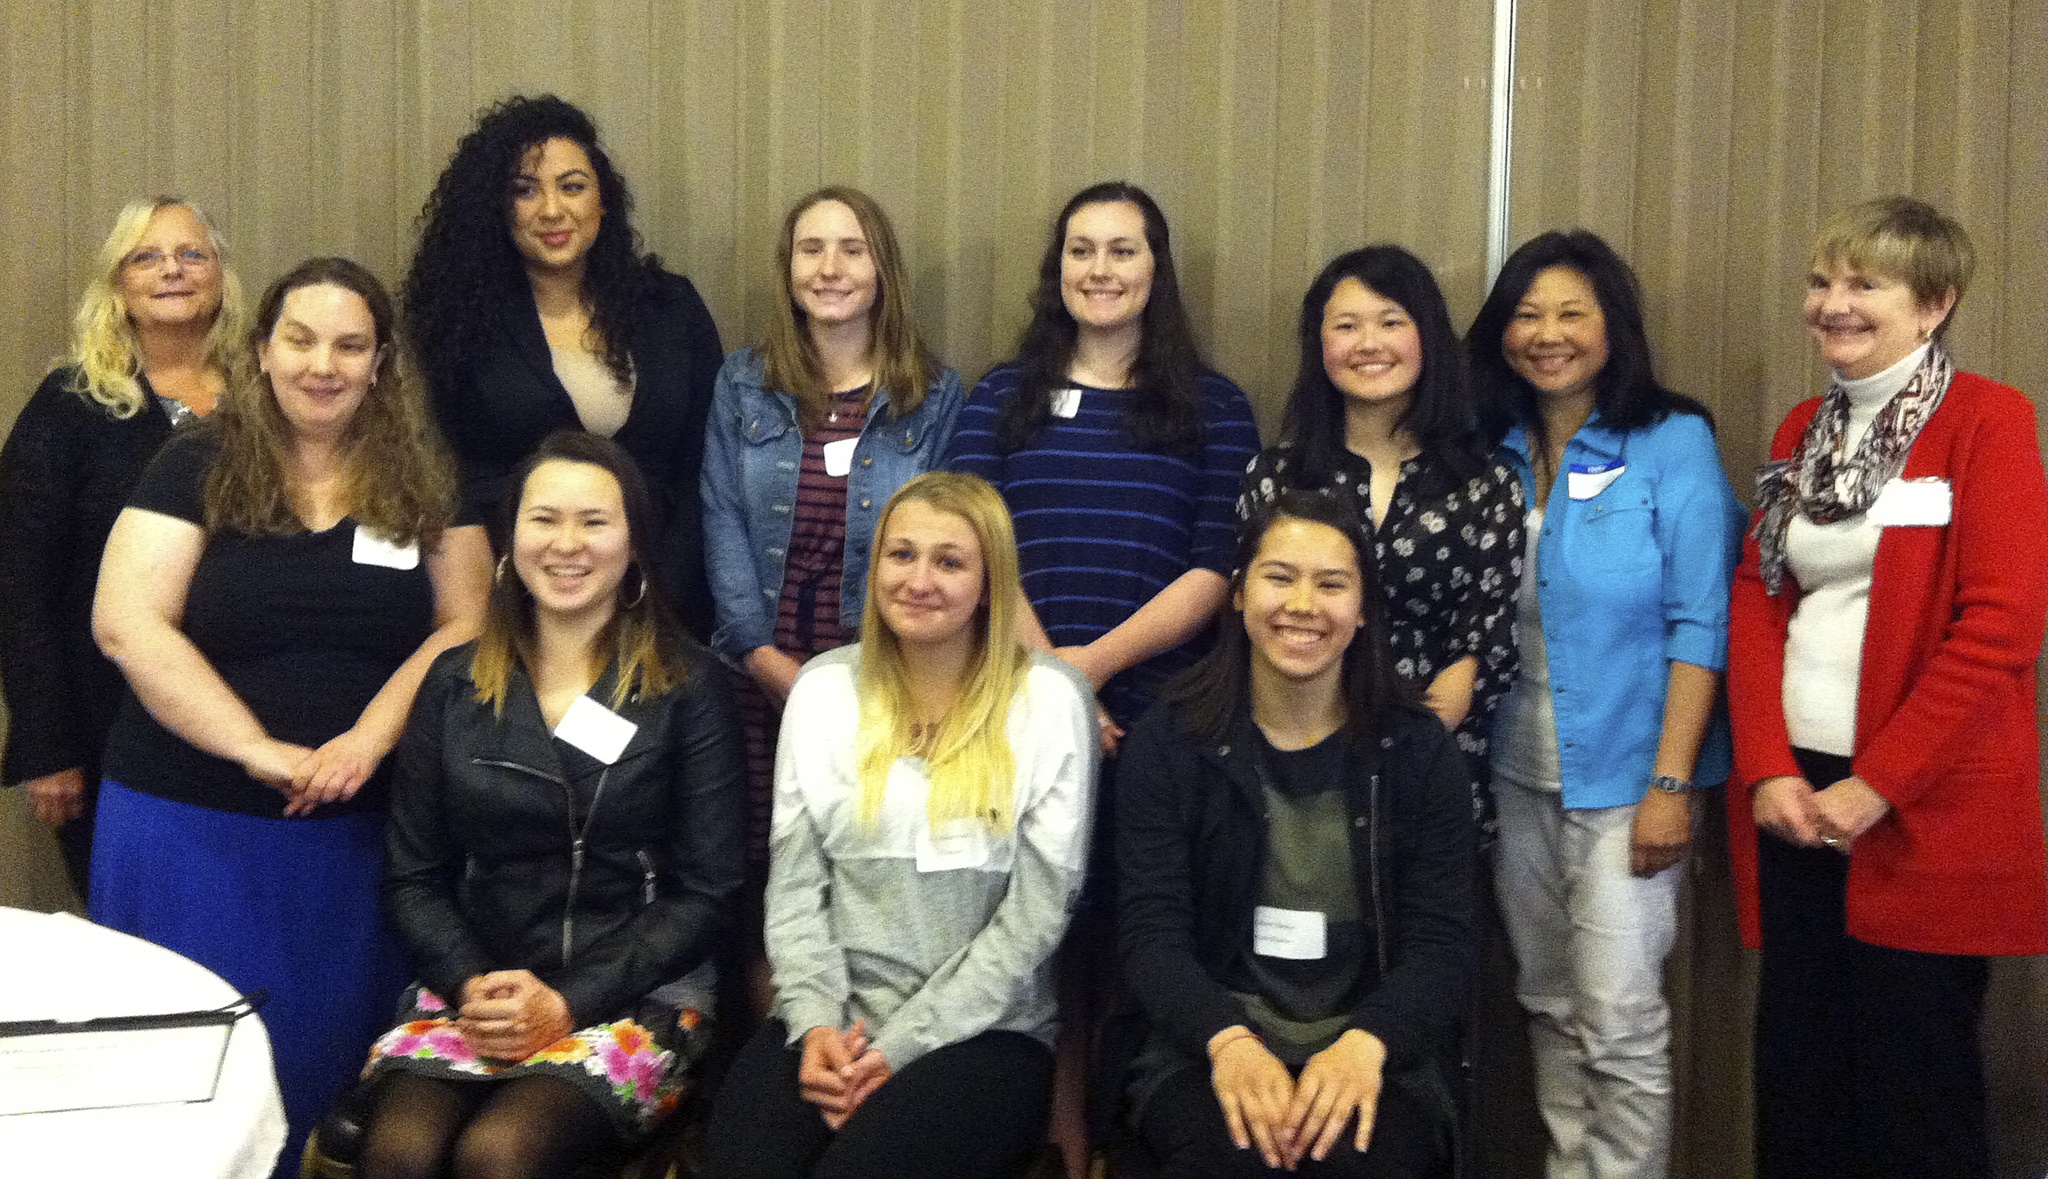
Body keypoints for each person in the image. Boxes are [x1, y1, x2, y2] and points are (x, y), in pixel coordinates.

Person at [90, 257, 493, 1171]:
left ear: (382, 360)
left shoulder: (427, 472)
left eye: (351, 345)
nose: (324, 364)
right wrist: (257, 747)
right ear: (263, 350)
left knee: (323, 1083)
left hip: (358, 838)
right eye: (301, 340)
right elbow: (126, 621)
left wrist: (365, 739)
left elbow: (466, 622)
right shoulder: (194, 458)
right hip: (188, 825)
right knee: (184, 1086)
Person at [1727, 197, 2048, 1179]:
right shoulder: (1802, 426)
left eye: (1864, 284)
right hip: (1795, 801)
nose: (1833, 305)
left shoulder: (1984, 423)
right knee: (1799, 1073)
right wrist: (1765, 770)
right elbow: (1755, 596)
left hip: (1920, 808)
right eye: (1821, 282)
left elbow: (2002, 623)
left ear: (1933, 303)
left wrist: (1876, 786)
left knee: (1916, 1085)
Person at [359, 431, 744, 1179]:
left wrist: (566, 999)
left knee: (499, 1157)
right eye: (545, 518)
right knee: (398, 1154)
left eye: (595, 521)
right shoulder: (452, 682)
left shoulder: (689, 683)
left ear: (634, 542)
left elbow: (708, 891)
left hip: (639, 995)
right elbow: (413, 876)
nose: (567, 543)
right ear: (510, 538)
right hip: (476, 987)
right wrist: (475, 984)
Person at [698, 471, 1096, 1179]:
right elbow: (794, 893)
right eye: (901, 554)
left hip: (985, 1032)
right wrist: (818, 1022)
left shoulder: (1048, 699)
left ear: (989, 582)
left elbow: (1036, 919)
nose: (919, 579)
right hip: (833, 1018)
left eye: (949, 561)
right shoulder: (822, 691)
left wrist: (897, 1047)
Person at [1467, 230, 1742, 1179]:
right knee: (1549, 1006)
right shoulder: (1489, 449)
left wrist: (1674, 781)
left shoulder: (1673, 440)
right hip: (1513, 773)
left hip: (1631, 779)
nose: (1546, 334)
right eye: (1526, 314)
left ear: (1612, 327)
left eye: (1570, 312)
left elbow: (1701, 620)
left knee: (1620, 1020)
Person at [1114, 492, 1476, 1178]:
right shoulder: (1171, 739)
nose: (1303, 604)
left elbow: (1444, 948)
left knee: (1357, 1162)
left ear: (1364, 608)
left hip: (1373, 1046)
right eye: (1280, 577)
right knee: (1230, 1160)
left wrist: (1368, 1042)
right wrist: (1229, 1042)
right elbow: (1149, 936)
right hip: (1205, 1042)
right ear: (1240, 593)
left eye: (1332, 583)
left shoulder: (1419, 750)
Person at [700, 186, 963, 978]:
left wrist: (857, 682)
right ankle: (765, 1054)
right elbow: (719, 517)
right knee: (752, 866)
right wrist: (761, 655)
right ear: (787, 269)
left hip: (879, 677)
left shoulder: (934, 393)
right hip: (757, 671)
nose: (830, 268)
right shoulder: (742, 383)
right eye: (811, 249)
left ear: (882, 269)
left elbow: (941, 541)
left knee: (857, 851)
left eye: (852, 248)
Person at [946, 180, 1260, 745]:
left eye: (1122, 250)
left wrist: (1089, 668)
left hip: (1167, 711)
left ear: (1155, 269)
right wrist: (1053, 683)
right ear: (1058, 267)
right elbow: (970, 551)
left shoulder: (1219, 407)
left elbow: (1215, 569)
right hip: (1012, 699)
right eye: (1080, 250)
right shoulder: (997, 396)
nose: (1099, 269)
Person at [404, 93, 724, 638]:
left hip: (666, 600)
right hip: (514, 601)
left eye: (572, 186)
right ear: (497, 209)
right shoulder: (456, 318)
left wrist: (657, 592)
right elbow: (447, 476)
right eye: (525, 190)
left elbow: (707, 468)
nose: (552, 210)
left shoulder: (670, 307)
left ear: (603, 200)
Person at [0, 196, 245, 896]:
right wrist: (45, 745)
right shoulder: (70, 404)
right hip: (103, 725)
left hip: (245, 719)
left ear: (221, 276)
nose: (172, 270)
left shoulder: (267, 401)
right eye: (147, 257)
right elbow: (20, 585)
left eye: (191, 254)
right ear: (119, 285)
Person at [1240, 245, 1522, 825]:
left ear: (1428, 338)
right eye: (1346, 326)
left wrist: (1396, 750)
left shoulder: (1486, 482)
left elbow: (1479, 647)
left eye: (1391, 322)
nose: (1369, 344)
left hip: (1433, 760)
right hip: (1289, 755)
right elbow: (1251, 622)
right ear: (1320, 346)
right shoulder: (1277, 476)